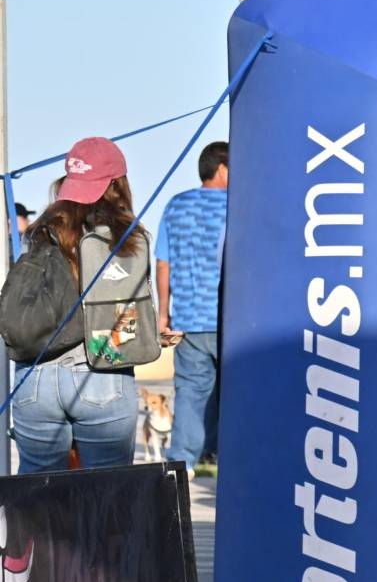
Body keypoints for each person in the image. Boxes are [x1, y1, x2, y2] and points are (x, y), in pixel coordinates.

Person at [11, 138, 153, 473]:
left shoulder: (40, 233)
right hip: (101, 375)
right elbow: (131, 315)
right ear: (116, 185)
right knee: (108, 499)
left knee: (36, 503)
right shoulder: (125, 237)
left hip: (34, 378)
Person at [153, 141, 229, 467]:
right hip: (231, 319)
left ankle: (182, 465)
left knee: (191, 392)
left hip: (188, 320)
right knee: (232, 392)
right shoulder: (239, 205)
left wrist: (163, 313)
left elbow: (163, 263)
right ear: (223, 168)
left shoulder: (176, 206)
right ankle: (218, 456)